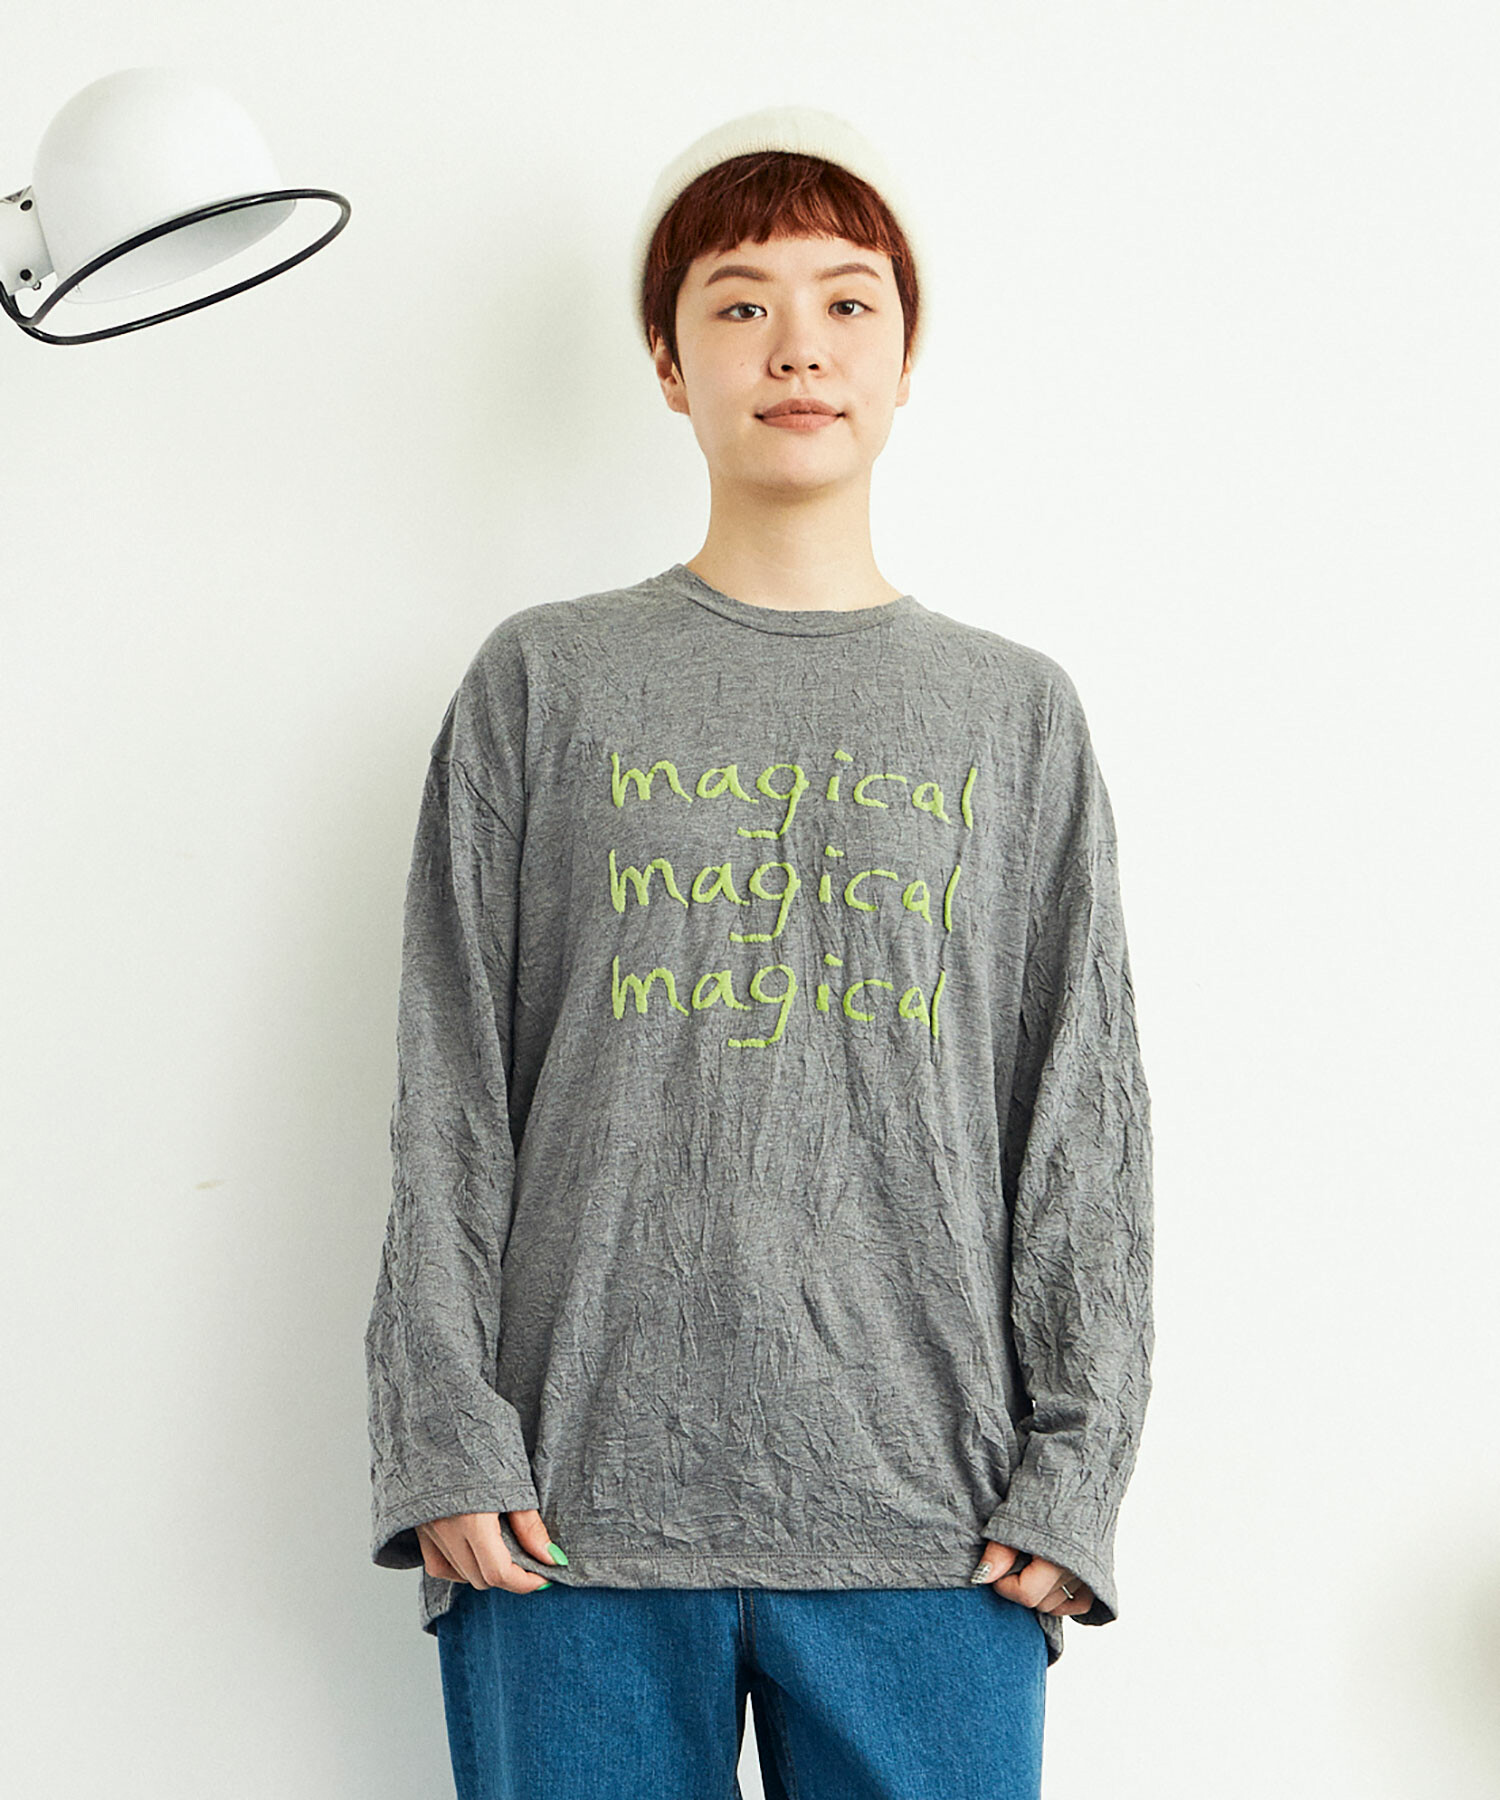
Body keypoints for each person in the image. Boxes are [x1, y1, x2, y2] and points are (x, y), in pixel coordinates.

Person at [363, 103, 1155, 1800]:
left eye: (847, 300)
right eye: (739, 302)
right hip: (564, 1512)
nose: (797, 345)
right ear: (669, 363)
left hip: (935, 1519)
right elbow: (450, 1083)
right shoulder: (543, 682)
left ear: (906, 353)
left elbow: (1080, 1111)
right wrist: (441, 1428)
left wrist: (1079, 1465)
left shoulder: (1013, 712)